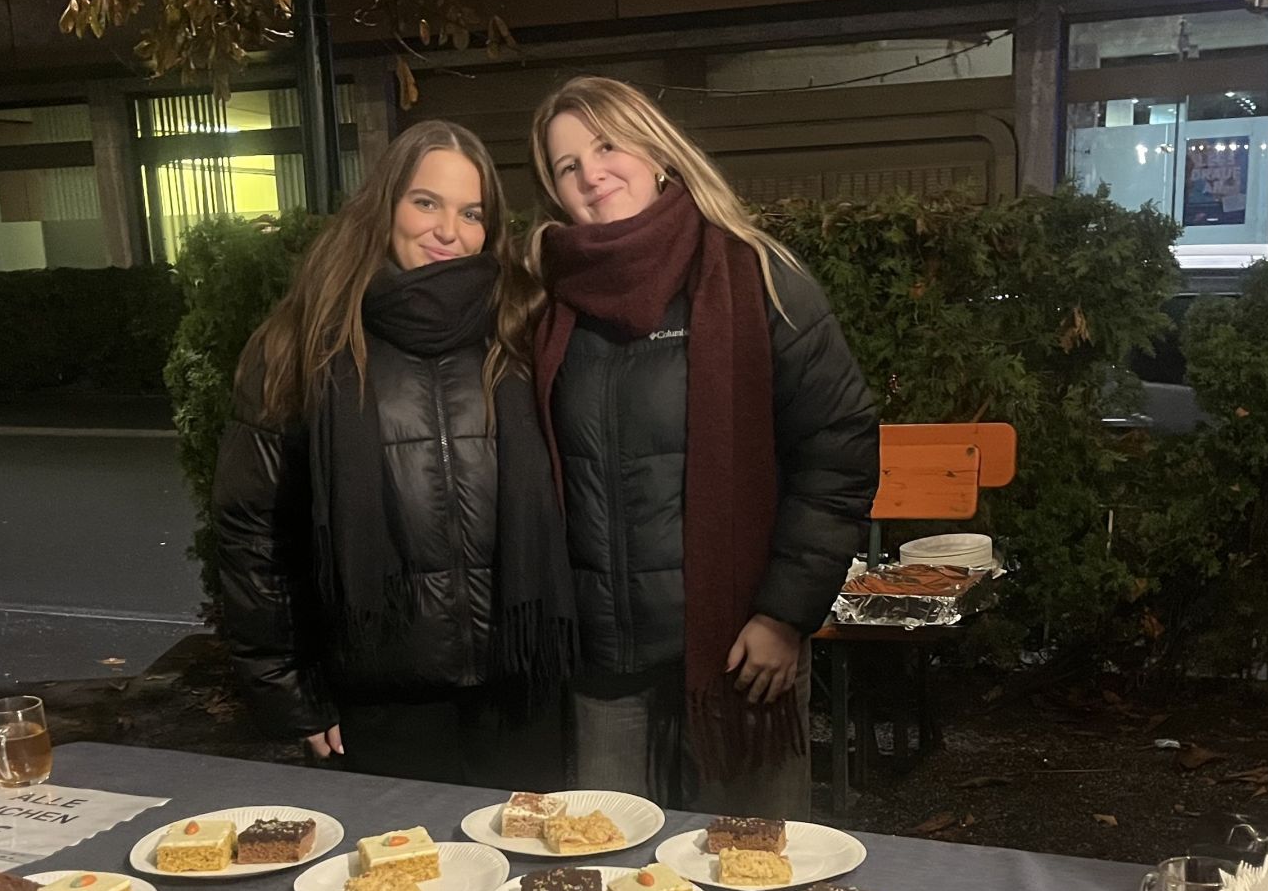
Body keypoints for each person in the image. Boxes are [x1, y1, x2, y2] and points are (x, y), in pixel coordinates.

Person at [526, 76, 879, 816]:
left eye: (606, 144)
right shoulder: (544, 303)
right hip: (603, 672)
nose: (590, 173)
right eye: (565, 165)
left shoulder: (758, 278)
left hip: (738, 657)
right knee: (616, 890)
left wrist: (785, 615)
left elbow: (836, 450)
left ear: (656, 152)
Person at [214, 120, 574, 788]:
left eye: (472, 213)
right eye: (426, 202)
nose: (449, 231)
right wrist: (287, 687)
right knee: (399, 886)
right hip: (377, 697)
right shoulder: (305, 343)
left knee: (530, 886)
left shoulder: (522, 325)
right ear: (385, 205)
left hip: (521, 692)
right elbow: (253, 533)